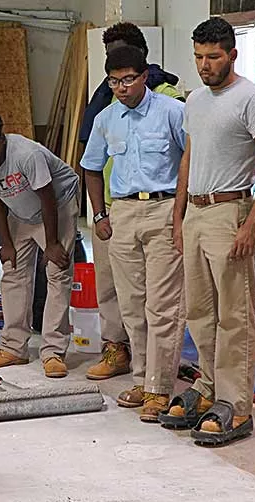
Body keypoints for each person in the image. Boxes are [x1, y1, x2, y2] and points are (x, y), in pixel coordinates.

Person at [159, 17, 255, 445]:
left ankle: (236, 404)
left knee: (234, 315)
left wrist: (251, 224)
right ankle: (208, 387)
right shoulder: (194, 100)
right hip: (196, 213)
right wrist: (178, 217)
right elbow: (188, 159)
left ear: (232, 54)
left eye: (213, 57)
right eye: (198, 57)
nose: (204, 65)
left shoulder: (253, 99)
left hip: (230, 211)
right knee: (199, 311)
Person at [80, 45, 187, 422]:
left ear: (144, 76)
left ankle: (160, 387)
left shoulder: (172, 111)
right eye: (114, 81)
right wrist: (99, 213)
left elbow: (190, 162)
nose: (122, 88)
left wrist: (181, 214)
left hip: (164, 209)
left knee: (163, 305)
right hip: (123, 213)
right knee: (132, 305)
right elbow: (92, 167)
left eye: (128, 79)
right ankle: (142, 379)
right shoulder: (106, 118)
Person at [0, 110, 81, 378]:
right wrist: (6, 243)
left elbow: (47, 197)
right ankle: (13, 347)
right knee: (12, 270)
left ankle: (53, 351)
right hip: (20, 211)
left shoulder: (27, 154)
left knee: (57, 272)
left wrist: (52, 243)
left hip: (57, 204)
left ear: (1, 140)